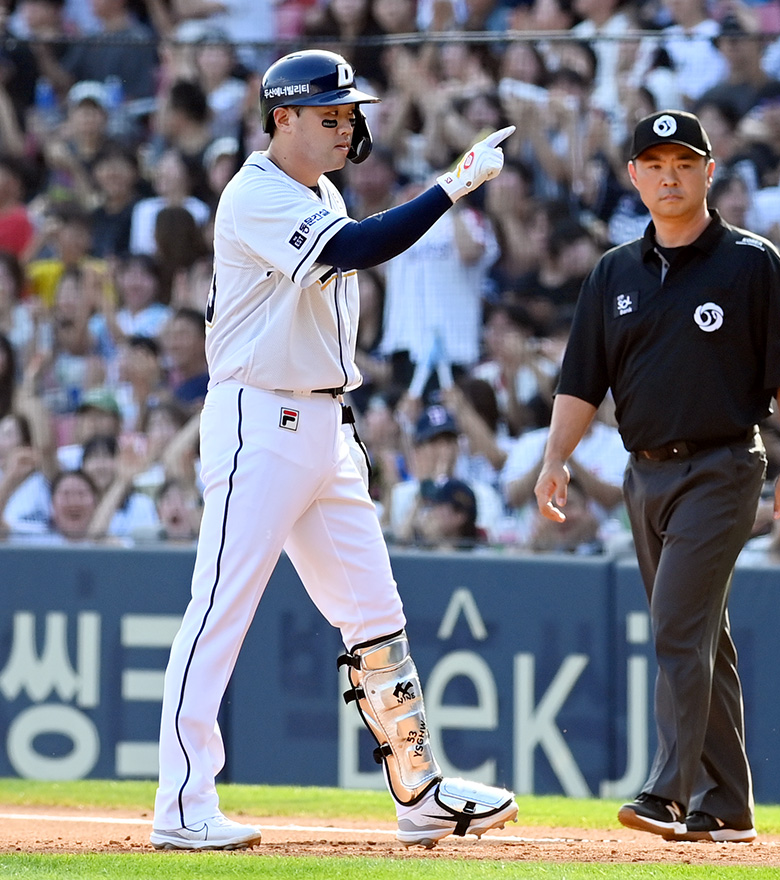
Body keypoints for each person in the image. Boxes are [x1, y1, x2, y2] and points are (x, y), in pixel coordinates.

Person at [151, 49, 518, 853]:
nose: (348, 123)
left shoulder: (317, 189)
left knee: (377, 617)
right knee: (218, 613)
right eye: (331, 113)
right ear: (282, 117)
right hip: (258, 416)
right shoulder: (255, 191)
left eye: (351, 112)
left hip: (322, 423)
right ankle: (182, 804)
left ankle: (418, 792)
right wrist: (453, 183)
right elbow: (356, 250)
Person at [534, 110, 780, 844]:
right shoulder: (612, 272)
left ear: (709, 172)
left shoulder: (753, 262)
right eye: (654, 163)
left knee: (676, 627)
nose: (669, 175)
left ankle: (669, 791)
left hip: (724, 466)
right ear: (633, 176)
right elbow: (581, 383)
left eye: (684, 162)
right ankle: (727, 802)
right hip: (644, 474)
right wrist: (554, 458)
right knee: (700, 637)